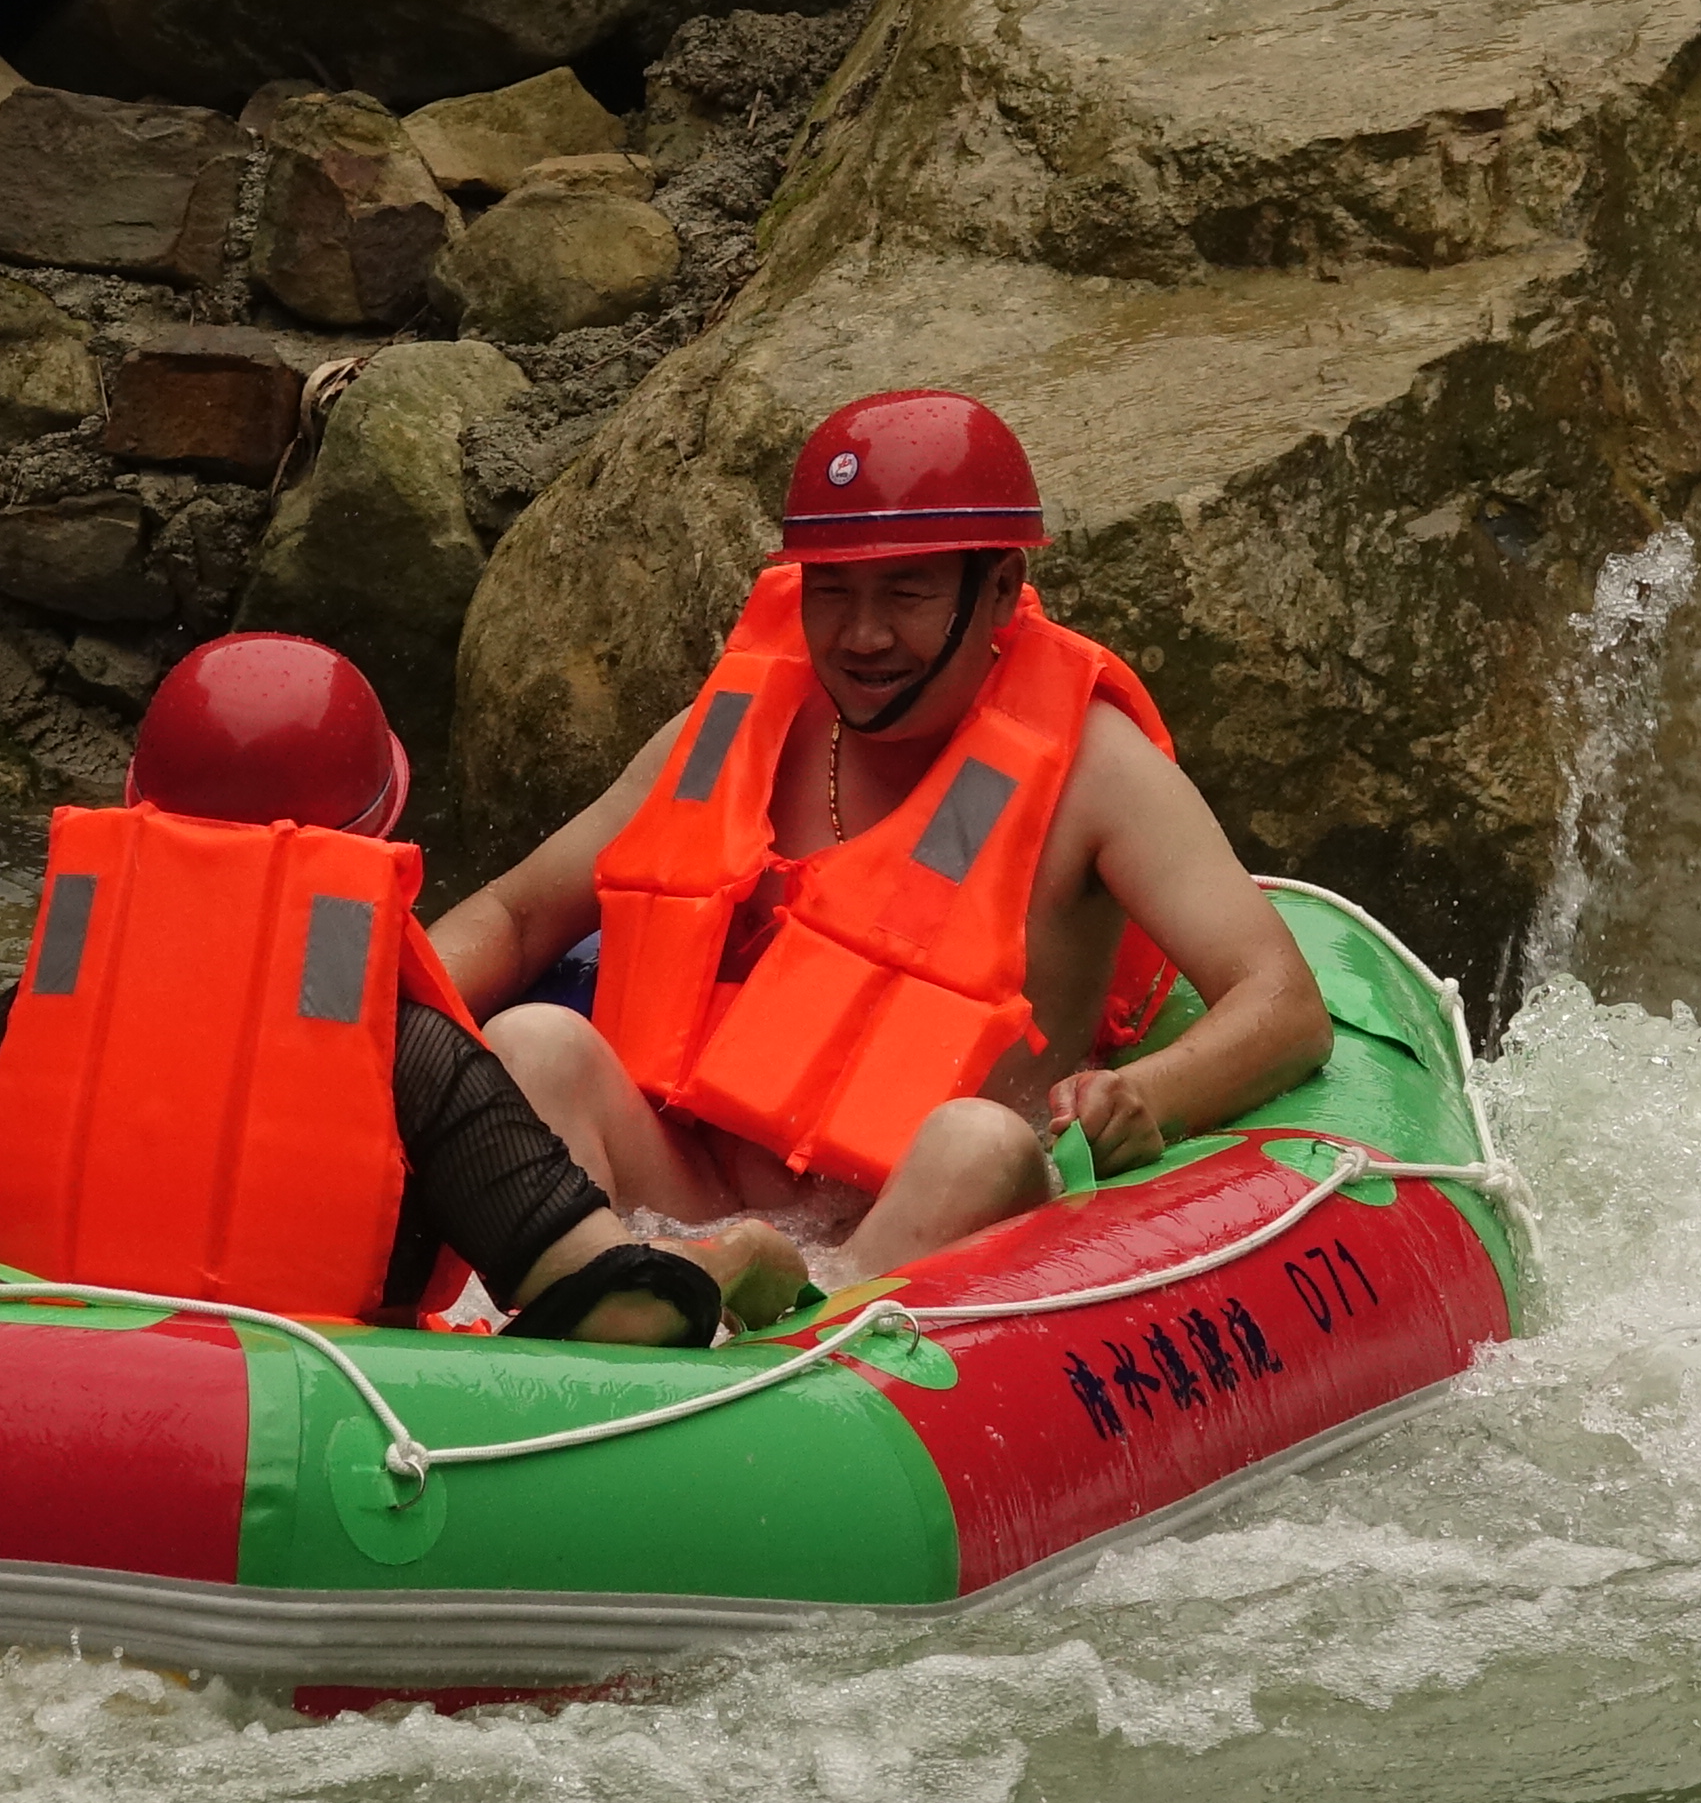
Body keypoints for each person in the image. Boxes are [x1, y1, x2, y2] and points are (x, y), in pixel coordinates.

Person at [430, 388, 1331, 1284]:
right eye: (831, 592)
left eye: (905, 593)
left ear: (1002, 590)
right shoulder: (741, 728)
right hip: (694, 1190)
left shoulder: (1095, 768)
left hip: (921, 1222)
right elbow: (514, 918)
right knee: (534, 1042)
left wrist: (1152, 1095)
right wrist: (363, 1020)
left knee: (976, 1140)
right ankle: (608, 1291)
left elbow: (1283, 1002)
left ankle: (788, 1331)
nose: (862, 636)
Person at [0, 635, 803, 1343]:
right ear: (371, 849)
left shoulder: (28, 1028)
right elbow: (624, 1313)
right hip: (329, 1457)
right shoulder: (416, 1064)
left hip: (44, 1418)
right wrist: (738, 1259)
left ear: (139, 822)